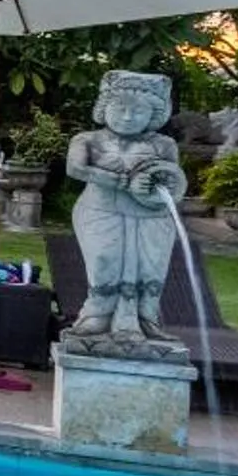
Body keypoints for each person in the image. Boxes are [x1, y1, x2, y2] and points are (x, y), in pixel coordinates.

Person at [64, 68, 185, 350]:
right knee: (104, 260)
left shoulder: (164, 144)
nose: (128, 117)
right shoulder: (87, 139)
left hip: (151, 216)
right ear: (104, 108)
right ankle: (98, 314)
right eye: (120, 108)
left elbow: (174, 178)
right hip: (100, 210)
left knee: (150, 268)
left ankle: (145, 319)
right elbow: (75, 168)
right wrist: (109, 177)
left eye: (138, 112)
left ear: (154, 115)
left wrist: (153, 182)